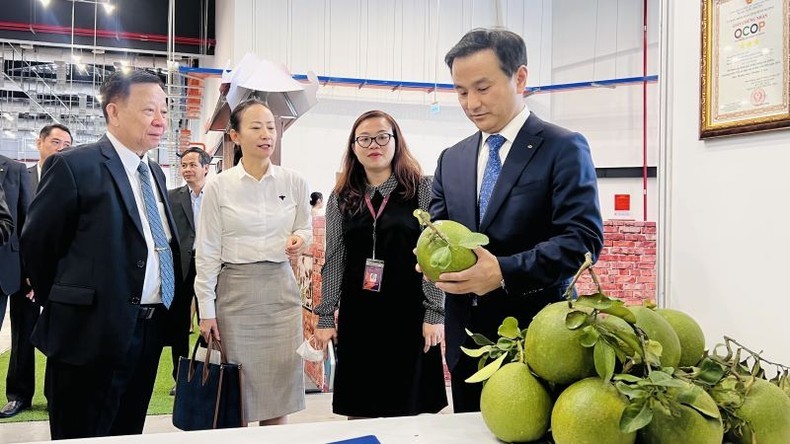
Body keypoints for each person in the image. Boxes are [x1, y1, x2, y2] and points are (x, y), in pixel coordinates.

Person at [429, 28, 604, 413]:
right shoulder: (451, 159)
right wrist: (429, 257)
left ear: (519, 77)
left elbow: (583, 239)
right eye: (460, 91)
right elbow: (438, 231)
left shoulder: (562, 147)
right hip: (467, 348)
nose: (471, 103)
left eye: (482, 87)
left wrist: (504, 272)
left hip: (540, 344)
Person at [20, 69, 189, 439]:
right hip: (89, 334)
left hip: (146, 332)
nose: (161, 121)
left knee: (127, 431)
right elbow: (38, 244)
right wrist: (71, 300)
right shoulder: (75, 165)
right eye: (148, 111)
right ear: (113, 111)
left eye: (164, 110)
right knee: (83, 432)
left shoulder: (154, 173)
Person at [314, 110, 448, 418]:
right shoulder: (341, 197)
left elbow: (435, 255)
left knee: (409, 409)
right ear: (354, 147)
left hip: (409, 312)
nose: (374, 144)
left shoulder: (421, 189)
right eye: (364, 138)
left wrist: (435, 312)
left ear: (396, 141)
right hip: (360, 315)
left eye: (382, 136)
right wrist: (325, 318)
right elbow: (335, 259)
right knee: (361, 408)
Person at [194, 98, 312, 426]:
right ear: (235, 136)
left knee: (278, 395)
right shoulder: (218, 186)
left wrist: (300, 240)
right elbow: (207, 252)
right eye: (256, 127)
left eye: (271, 127)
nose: (266, 134)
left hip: (281, 295)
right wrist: (207, 310)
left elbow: (304, 228)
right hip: (235, 296)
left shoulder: (294, 182)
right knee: (235, 393)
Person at [0, 124, 72, 419]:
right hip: (25, 275)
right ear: (40, 143)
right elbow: (20, 229)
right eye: (55, 141)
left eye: (67, 143)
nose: (61, 148)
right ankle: (19, 394)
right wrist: (30, 274)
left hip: (65, 274)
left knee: (63, 337)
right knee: (23, 335)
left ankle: (58, 394)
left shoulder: (74, 178)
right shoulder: (21, 177)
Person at [167, 146, 211, 395]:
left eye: (192, 165)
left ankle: (205, 371)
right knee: (178, 325)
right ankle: (180, 376)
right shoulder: (173, 197)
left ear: (206, 168)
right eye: (184, 165)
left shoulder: (218, 194)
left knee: (210, 319)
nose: (187, 170)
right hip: (180, 267)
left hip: (210, 265)